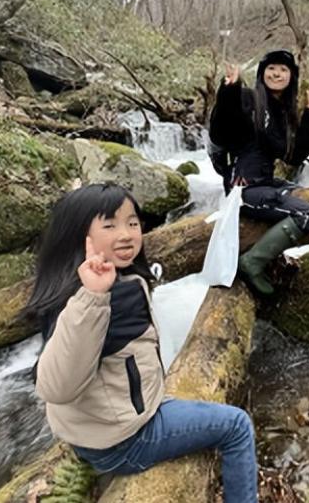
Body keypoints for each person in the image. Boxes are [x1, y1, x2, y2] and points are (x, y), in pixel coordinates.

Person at [25, 183, 258, 503]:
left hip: (97, 428)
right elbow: (55, 387)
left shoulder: (75, 284)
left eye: (132, 223)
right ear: (81, 237)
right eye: (110, 225)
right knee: (237, 426)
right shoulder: (100, 298)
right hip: (123, 443)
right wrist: (94, 297)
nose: (126, 234)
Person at [209, 49, 309, 295]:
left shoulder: (283, 111)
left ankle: (271, 257)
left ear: (291, 76)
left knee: (306, 196)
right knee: (307, 216)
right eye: (271, 68)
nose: (277, 73)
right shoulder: (248, 98)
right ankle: (252, 263)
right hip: (244, 189)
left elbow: (292, 156)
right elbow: (222, 130)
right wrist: (228, 92)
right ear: (262, 73)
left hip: (265, 182)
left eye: (283, 69)